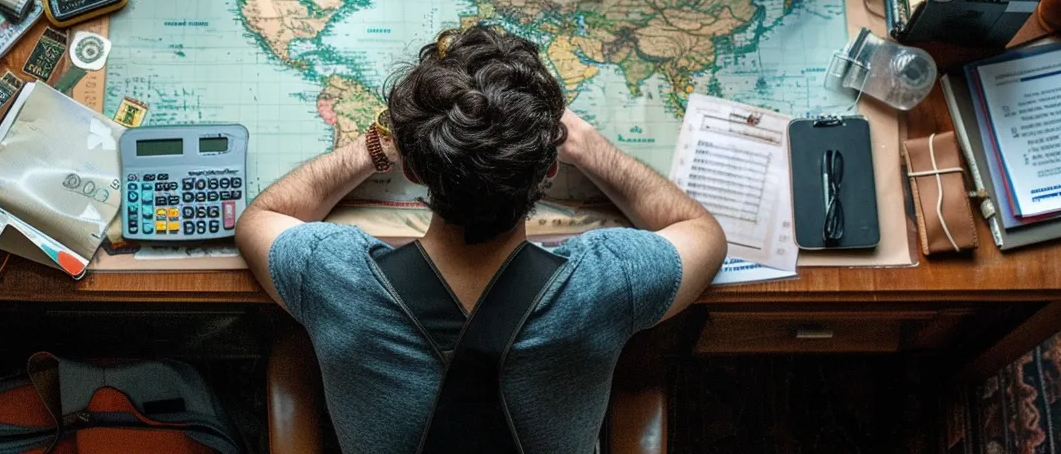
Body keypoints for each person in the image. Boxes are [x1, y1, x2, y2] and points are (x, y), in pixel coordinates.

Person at [235, 24, 725, 453]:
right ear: (550, 166)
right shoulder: (608, 281)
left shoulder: (332, 275)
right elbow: (703, 233)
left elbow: (263, 216)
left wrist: (376, 144)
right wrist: (592, 149)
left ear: (412, 165)